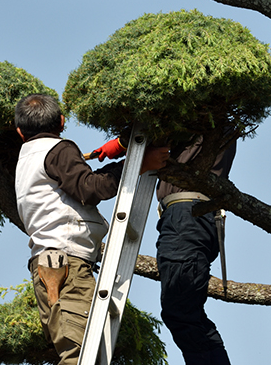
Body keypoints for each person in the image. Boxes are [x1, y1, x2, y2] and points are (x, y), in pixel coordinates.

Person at [14, 94, 168, 365]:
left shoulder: (27, 158)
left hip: (49, 264)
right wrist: (137, 165)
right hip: (67, 264)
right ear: (62, 122)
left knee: (82, 353)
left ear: (19, 132)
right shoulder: (58, 150)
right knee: (80, 355)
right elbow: (89, 189)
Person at [96, 129, 236, 365]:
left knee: (181, 313)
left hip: (187, 216)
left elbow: (161, 122)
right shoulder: (211, 116)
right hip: (190, 218)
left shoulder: (203, 113)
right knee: (188, 314)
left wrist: (124, 141)